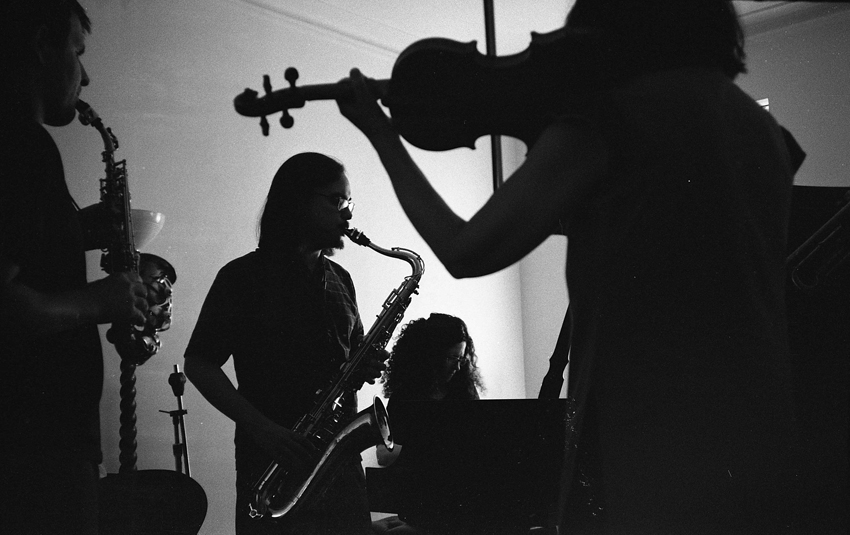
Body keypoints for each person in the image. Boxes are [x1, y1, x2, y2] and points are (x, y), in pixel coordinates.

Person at [337, 1, 806, 533]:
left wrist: (380, 134)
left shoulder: (610, 117)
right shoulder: (764, 132)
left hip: (648, 441)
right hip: (761, 437)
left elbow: (466, 251)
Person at [0, 1, 151, 534]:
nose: (84, 76)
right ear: (43, 45)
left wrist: (76, 231)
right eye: (78, 52)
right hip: (38, 451)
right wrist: (102, 301)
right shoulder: (23, 144)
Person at [183, 152, 385, 535]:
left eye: (349, 203)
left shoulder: (341, 279)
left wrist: (365, 365)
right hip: (275, 465)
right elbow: (199, 364)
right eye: (336, 200)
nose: (348, 214)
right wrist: (263, 428)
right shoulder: (242, 277)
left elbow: (351, 359)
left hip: (340, 468)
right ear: (297, 202)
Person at [376, 313, 483, 466]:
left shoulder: (465, 391)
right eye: (452, 358)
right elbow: (383, 455)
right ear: (432, 356)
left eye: (461, 359)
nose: (458, 367)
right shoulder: (404, 397)